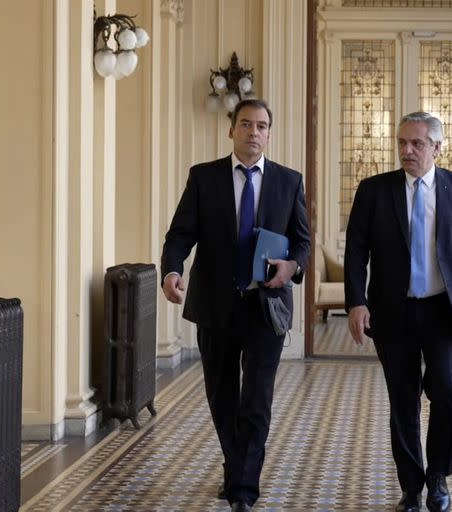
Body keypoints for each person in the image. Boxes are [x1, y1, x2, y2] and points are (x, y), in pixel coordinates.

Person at [161, 99, 310, 512]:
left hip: (266, 309)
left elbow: (302, 242)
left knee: (257, 400)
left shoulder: (288, 181)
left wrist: (291, 266)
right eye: (246, 124)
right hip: (215, 307)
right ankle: (237, 466)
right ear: (232, 130)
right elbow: (180, 234)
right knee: (222, 398)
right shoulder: (203, 178)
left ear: (269, 133)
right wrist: (172, 271)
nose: (254, 132)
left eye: (262, 125)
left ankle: (243, 489)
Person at [345, 112, 452, 512]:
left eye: (417, 144)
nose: (407, 151)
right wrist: (357, 301)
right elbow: (356, 249)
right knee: (403, 400)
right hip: (393, 313)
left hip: (444, 312)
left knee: (446, 390)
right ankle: (411, 486)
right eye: (402, 143)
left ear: (437, 148)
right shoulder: (374, 190)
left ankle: (438, 475)